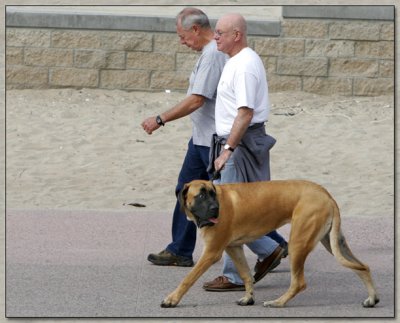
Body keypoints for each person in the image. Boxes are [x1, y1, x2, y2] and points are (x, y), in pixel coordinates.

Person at [203, 13, 287, 291]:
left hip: (239, 143)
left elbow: (246, 113)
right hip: (235, 141)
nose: (214, 37)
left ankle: (248, 264)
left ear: (236, 35)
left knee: (226, 211)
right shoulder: (235, 61)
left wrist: (228, 150)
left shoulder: (245, 65)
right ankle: (255, 258)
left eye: (219, 33)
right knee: (234, 208)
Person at [141, 8, 228, 267]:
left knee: (223, 197)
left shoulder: (213, 54)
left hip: (212, 141)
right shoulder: (211, 52)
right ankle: (180, 249)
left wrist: (160, 119)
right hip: (201, 138)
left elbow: (196, 100)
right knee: (185, 190)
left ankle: (274, 245)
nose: (181, 42)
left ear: (196, 29)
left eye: (182, 36)